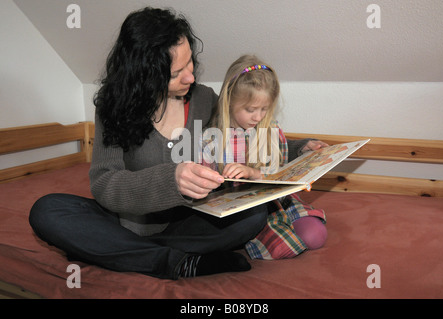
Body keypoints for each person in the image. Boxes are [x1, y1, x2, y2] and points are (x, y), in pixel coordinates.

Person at [28, 7, 268, 280]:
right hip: (125, 222)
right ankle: (175, 261)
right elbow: (105, 184)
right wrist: (171, 181)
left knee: (254, 212)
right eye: (176, 72)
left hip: (190, 221)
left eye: (190, 63)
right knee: (48, 211)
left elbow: (249, 135)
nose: (190, 76)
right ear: (145, 74)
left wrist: (302, 149)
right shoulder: (114, 106)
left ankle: (121, 252)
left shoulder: (204, 99)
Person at [201, 55, 328, 259]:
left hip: (277, 199)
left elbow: (280, 167)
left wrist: (304, 148)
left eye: (264, 109)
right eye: (250, 110)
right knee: (282, 246)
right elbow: (204, 188)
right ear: (229, 100)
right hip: (247, 211)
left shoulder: (269, 129)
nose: (258, 117)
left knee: (316, 235)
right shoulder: (211, 139)